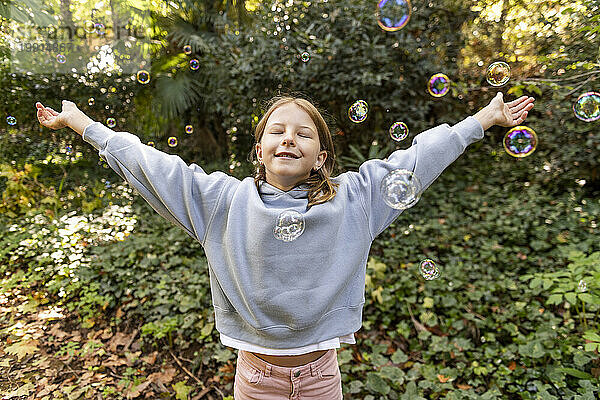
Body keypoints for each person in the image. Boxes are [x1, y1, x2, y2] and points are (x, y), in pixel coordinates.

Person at [35, 92, 534, 399]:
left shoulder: (353, 200)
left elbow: (416, 159)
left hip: (321, 380)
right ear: (260, 150)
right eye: (276, 130)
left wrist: (480, 123)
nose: (288, 138)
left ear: (321, 156)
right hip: (255, 381)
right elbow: (151, 165)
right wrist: (83, 124)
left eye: (304, 133)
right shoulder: (223, 203)